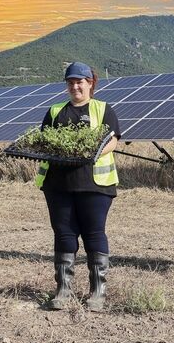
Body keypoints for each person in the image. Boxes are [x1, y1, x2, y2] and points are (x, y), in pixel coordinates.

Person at [37, 62, 120, 312]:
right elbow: (44, 141)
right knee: (64, 234)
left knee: (94, 234)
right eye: (71, 82)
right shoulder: (54, 112)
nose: (75, 86)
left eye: (80, 82)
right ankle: (63, 290)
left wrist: (90, 153)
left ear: (90, 83)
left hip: (95, 185)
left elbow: (113, 140)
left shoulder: (103, 109)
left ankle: (98, 292)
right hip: (58, 185)